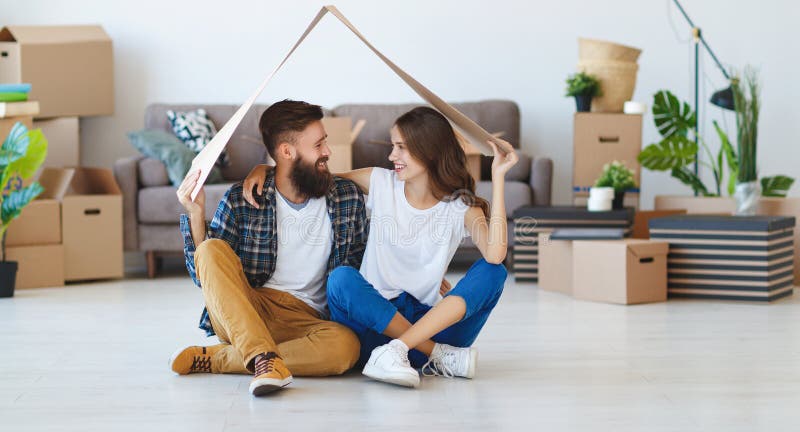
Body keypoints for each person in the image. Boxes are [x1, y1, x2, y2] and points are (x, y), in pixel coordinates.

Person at [243, 106, 516, 388]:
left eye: (401, 148)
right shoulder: (380, 182)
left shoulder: (460, 207)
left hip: (427, 326)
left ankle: (398, 351)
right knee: (341, 279)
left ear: (430, 151)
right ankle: (431, 355)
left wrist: (497, 177)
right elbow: (316, 175)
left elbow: (496, 254)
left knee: (493, 271)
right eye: (393, 146)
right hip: (372, 328)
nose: (391, 156)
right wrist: (267, 168)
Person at [173, 100, 368, 396]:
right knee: (211, 249)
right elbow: (206, 278)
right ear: (287, 152)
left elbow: (364, 267)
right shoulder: (242, 198)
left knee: (346, 348)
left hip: (308, 321)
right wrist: (196, 215)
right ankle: (263, 357)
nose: (328, 151)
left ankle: (225, 358)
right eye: (319, 145)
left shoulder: (346, 199)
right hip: (247, 308)